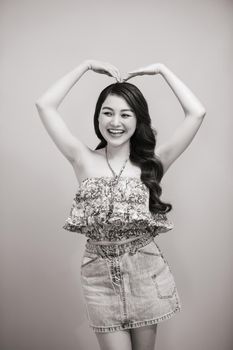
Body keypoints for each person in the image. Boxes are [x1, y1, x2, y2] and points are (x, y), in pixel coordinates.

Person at [35, 59, 206, 350]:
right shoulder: (82, 158)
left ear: (138, 120)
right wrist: (85, 66)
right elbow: (44, 105)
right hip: (99, 274)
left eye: (126, 114)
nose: (116, 122)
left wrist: (163, 70)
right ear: (98, 118)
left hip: (145, 269)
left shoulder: (153, 162)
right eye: (108, 113)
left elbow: (197, 113)